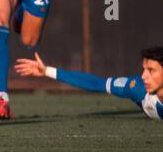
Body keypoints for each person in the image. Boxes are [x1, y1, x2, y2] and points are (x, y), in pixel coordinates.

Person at [15, 47, 162, 120]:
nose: (144, 76)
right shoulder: (137, 88)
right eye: (144, 70)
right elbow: (97, 83)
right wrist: (47, 71)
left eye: (151, 70)